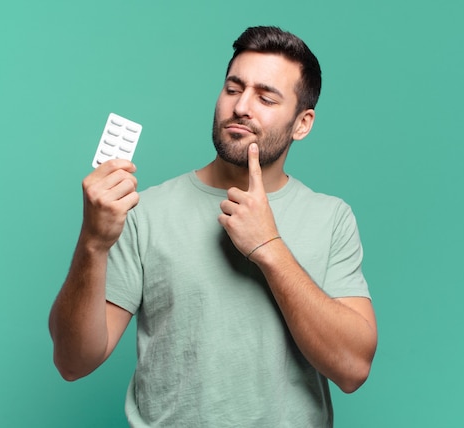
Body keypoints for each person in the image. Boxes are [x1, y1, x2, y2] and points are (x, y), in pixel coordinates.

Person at [49, 26, 377, 427]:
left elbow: (353, 368)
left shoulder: (331, 218)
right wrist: (93, 242)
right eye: (233, 89)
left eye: (265, 97)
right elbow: (72, 361)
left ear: (302, 123)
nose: (241, 107)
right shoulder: (145, 212)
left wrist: (269, 247)